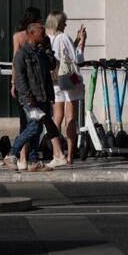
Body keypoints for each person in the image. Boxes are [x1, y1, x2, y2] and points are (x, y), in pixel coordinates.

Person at [6, 23, 68, 172]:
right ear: (31, 34)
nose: (44, 35)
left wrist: (48, 49)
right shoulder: (22, 54)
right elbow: (20, 79)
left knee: (38, 129)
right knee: (34, 127)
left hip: (43, 96)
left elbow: (52, 65)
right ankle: (12, 153)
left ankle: (33, 162)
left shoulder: (40, 52)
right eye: (41, 33)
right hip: (31, 98)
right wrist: (28, 97)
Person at [44, 11, 85, 165]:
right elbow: (76, 59)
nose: (66, 25)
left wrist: (75, 40)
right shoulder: (63, 37)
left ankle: (57, 153)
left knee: (57, 117)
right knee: (70, 118)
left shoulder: (47, 37)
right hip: (68, 81)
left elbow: (61, 55)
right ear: (58, 23)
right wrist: (82, 42)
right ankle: (70, 156)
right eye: (64, 22)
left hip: (54, 81)